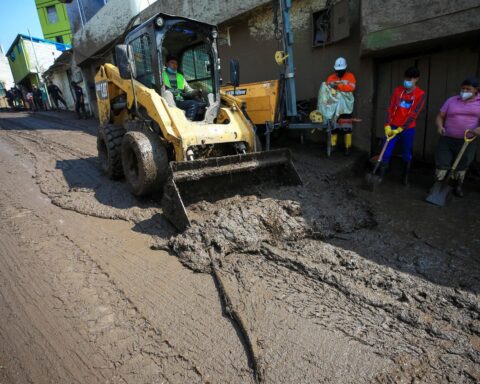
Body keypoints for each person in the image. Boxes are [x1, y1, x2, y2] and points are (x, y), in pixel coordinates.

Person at [379, 67, 426, 185]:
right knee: (386, 151)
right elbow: (390, 108)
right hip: (393, 126)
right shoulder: (398, 91)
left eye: (411, 79)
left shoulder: (420, 94)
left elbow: (414, 114)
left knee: (406, 153)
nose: (408, 81)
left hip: (407, 129)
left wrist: (401, 128)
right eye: (406, 78)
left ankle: (405, 176)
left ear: (417, 79)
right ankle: (381, 175)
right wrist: (387, 125)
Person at [434, 77, 480, 197]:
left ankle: (457, 186)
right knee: (442, 162)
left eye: (468, 89)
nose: (464, 91)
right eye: (463, 88)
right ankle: (438, 186)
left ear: (476, 90)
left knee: (462, 165)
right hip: (447, 138)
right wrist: (439, 127)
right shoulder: (452, 100)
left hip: (468, 140)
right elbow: (440, 116)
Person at [326, 57, 356, 155]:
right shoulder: (331, 77)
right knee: (333, 127)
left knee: (347, 126)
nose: (339, 72)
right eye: (337, 70)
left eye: (341, 70)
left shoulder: (350, 76)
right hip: (334, 107)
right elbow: (327, 89)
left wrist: (338, 86)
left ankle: (348, 147)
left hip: (346, 108)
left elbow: (352, 87)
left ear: (345, 69)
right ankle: (333, 146)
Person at [162, 55, 203, 121]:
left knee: (194, 103)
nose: (174, 65)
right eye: (172, 62)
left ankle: (188, 121)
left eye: (176, 64)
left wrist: (196, 91)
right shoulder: (161, 75)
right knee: (167, 93)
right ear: (166, 64)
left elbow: (188, 90)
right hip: (166, 100)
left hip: (179, 101)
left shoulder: (180, 77)